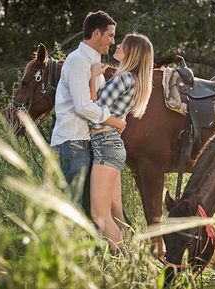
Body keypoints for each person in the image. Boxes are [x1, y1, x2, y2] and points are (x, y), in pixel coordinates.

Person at [50, 11, 126, 216]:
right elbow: (82, 106)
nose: (112, 41)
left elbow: (95, 101)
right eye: (110, 35)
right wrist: (113, 120)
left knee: (84, 208)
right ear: (96, 34)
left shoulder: (93, 63)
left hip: (84, 142)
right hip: (72, 142)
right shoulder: (77, 61)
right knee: (71, 208)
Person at [88, 33, 154, 252]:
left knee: (100, 215)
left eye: (122, 45)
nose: (117, 46)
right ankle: (132, 261)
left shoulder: (123, 78)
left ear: (131, 52)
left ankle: (121, 260)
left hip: (106, 144)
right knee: (116, 212)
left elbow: (94, 109)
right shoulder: (133, 80)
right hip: (112, 144)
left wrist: (92, 78)